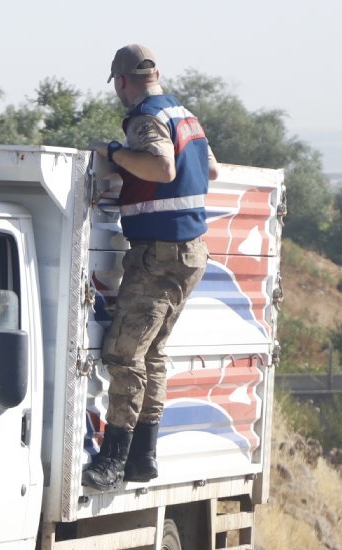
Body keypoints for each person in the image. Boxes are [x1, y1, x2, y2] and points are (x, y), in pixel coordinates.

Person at [83, 44, 220, 491]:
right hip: (189, 253)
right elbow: (210, 170)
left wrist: (115, 152)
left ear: (122, 81)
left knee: (124, 355)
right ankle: (144, 457)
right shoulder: (185, 116)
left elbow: (161, 165)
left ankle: (114, 460)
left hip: (159, 255)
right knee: (153, 354)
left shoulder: (145, 117)